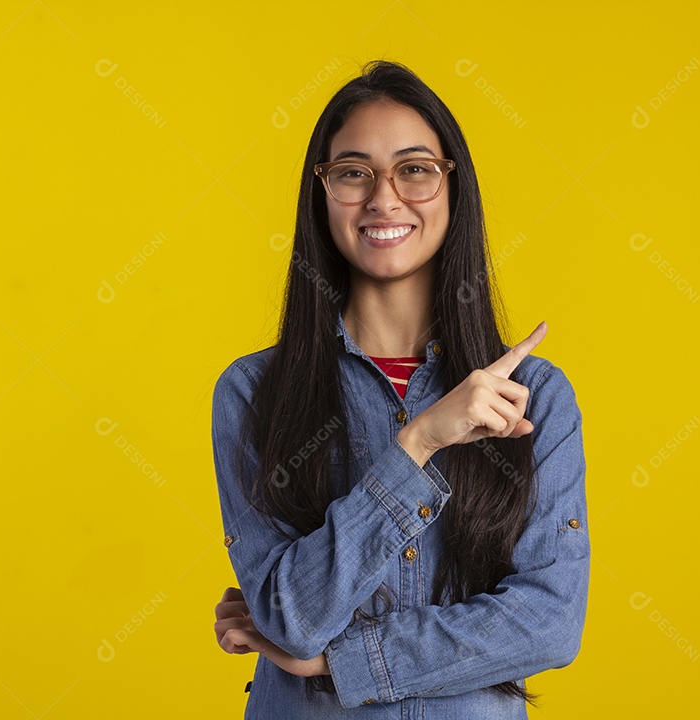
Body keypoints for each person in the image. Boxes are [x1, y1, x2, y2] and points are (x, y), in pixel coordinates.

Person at [211, 59, 589, 718]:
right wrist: (417, 444)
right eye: (353, 172)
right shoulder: (253, 393)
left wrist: (342, 661)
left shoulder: (534, 396)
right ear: (322, 192)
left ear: (452, 187)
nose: (384, 199)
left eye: (414, 169)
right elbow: (290, 619)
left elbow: (550, 622)